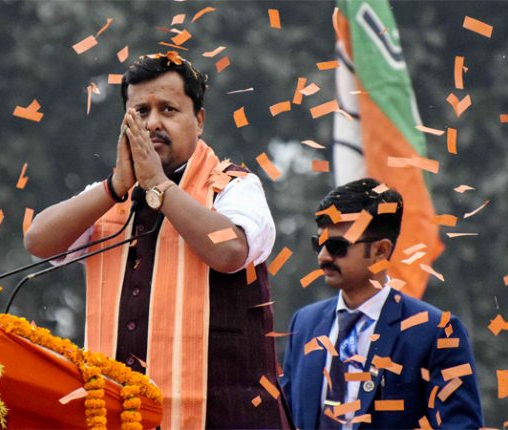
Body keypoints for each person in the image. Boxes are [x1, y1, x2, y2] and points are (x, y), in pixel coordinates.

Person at [24, 52, 289, 429]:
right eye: (141, 112)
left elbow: (229, 251)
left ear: (199, 120)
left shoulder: (233, 186)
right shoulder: (112, 195)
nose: (153, 124)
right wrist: (116, 186)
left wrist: (159, 187)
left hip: (226, 416)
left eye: (168, 110)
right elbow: (39, 241)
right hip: (123, 416)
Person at [280, 178, 483, 429]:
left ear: (381, 250)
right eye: (318, 243)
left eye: (336, 247)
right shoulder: (304, 324)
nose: (323, 256)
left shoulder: (436, 333)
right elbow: (282, 418)